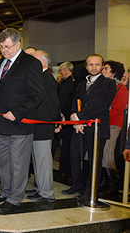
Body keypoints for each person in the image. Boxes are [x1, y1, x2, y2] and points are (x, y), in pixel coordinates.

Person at [0, 28, 44, 214]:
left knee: (18, 164)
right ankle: (6, 192)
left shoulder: (31, 63)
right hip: (1, 123)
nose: (3, 51)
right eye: (1, 47)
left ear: (18, 44)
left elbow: (37, 96)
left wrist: (17, 112)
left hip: (20, 124)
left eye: (7, 47)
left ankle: (14, 199)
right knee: (3, 162)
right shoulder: (3, 62)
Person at [64, 54, 116, 199]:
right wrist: (76, 121)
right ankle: (76, 185)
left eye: (97, 64)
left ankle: (90, 190)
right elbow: (76, 102)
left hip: (97, 128)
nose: (94, 67)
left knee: (94, 161)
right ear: (86, 66)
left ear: (102, 66)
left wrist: (79, 117)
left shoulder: (108, 83)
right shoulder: (81, 84)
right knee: (75, 156)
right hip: (80, 126)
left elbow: (100, 105)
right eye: (91, 64)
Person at [26, 50, 60, 202]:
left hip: (44, 127)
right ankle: (40, 189)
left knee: (44, 161)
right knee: (38, 161)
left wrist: (55, 122)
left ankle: (46, 193)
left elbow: (53, 103)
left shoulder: (46, 78)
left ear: (43, 62)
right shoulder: (41, 77)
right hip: (37, 127)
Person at [99, 60, 128, 196]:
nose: (102, 70)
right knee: (102, 152)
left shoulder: (121, 89)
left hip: (113, 124)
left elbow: (117, 109)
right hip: (103, 123)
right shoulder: (103, 86)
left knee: (108, 152)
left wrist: (100, 114)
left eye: (106, 69)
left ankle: (113, 183)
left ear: (114, 72)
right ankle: (105, 181)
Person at [57, 61, 76, 182]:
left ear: (66, 70)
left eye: (61, 70)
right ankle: (64, 171)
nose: (60, 72)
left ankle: (66, 172)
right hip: (67, 120)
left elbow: (62, 102)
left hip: (67, 121)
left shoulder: (69, 85)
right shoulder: (67, 84)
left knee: (66, 147)